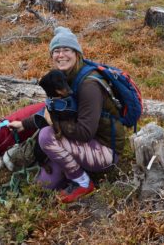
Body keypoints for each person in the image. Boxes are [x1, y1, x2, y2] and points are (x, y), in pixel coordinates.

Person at [9, 26, 126, 203]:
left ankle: (83, 182)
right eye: (56, 51)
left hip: (105, 151)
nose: (61, 55)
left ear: (77, 53)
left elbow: (85, 132)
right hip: (81, 144)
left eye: (66, 50)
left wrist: (51, 124)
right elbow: (55, 110)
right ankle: (71, 169)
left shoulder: (88, 85)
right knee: (44, 186)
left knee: (47, 136)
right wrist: (24, 124)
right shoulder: (66, 77)